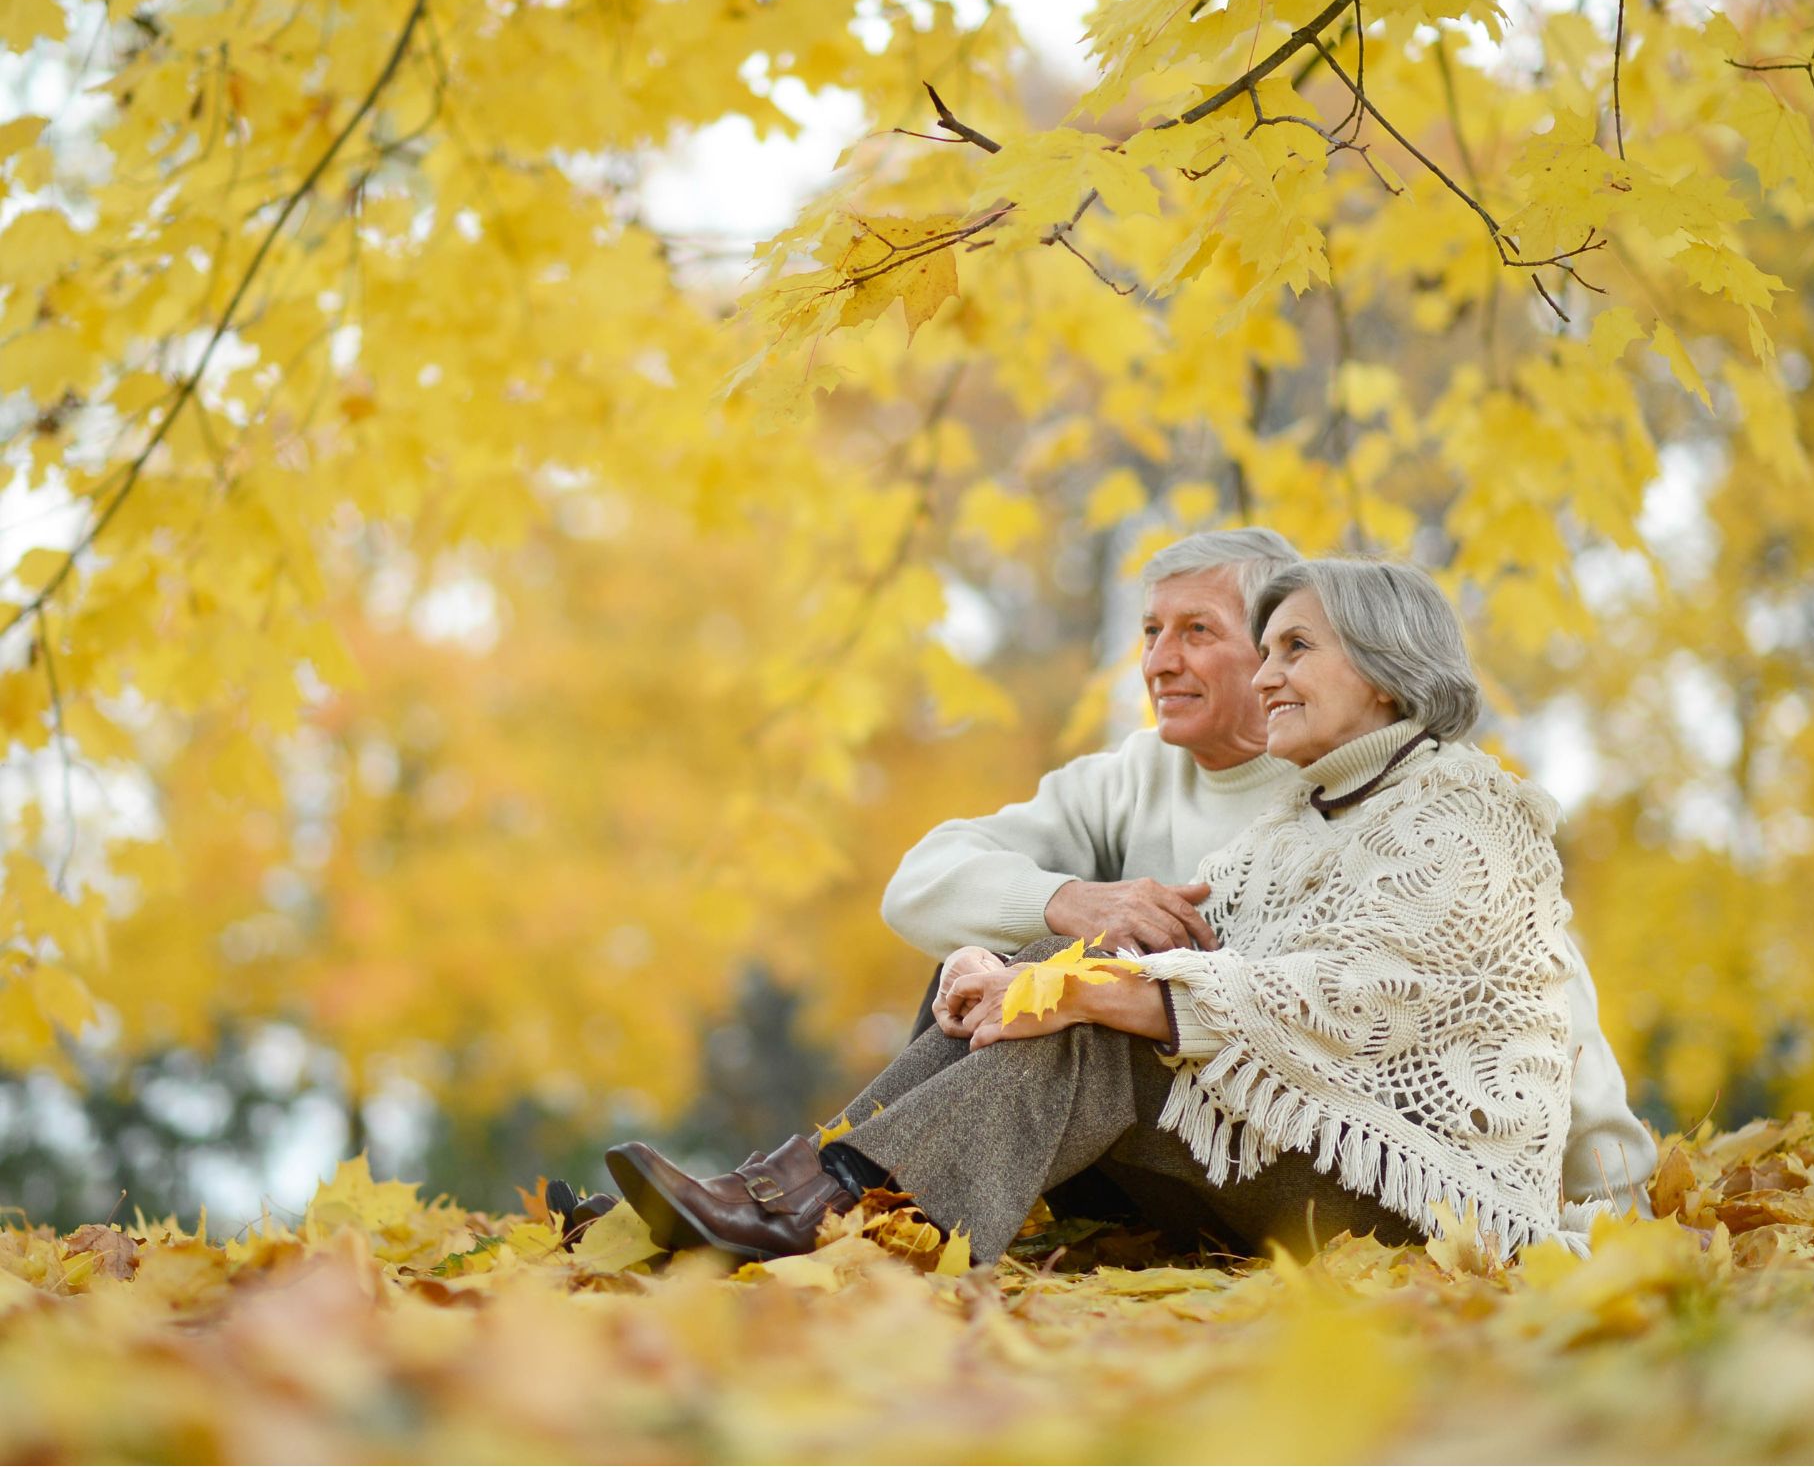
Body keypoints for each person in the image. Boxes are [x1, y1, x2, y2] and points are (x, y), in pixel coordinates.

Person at [602, 557, 1612, 1265]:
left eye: (1293, 648)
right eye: (1262, 651)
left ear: (1389, 677)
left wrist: (1076, 992)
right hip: (1297, 1151)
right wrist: (1022, 971)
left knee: (1093, 1013)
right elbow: (1210, 959)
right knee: (1066, 953)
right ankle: (789, 1198)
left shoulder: (1467, 814)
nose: (1265, 678)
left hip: (1426, 1199)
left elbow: (1350, 1001)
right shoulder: (1298, 821)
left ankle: (827, 1211)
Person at [885, 529, 1655, 1214]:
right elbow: (922, 882)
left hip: (1365, 1158)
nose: (1158, 660)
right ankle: (843, 1192)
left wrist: (1615, 1188)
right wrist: (1063, 905)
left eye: (1197, 631)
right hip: (1220, 1122)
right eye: (1151, 631)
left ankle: (853, 1199)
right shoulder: (1181, 788)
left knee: (1071, 1000)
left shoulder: (1403, 794)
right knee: (1008, 973)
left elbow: (1540, 996)